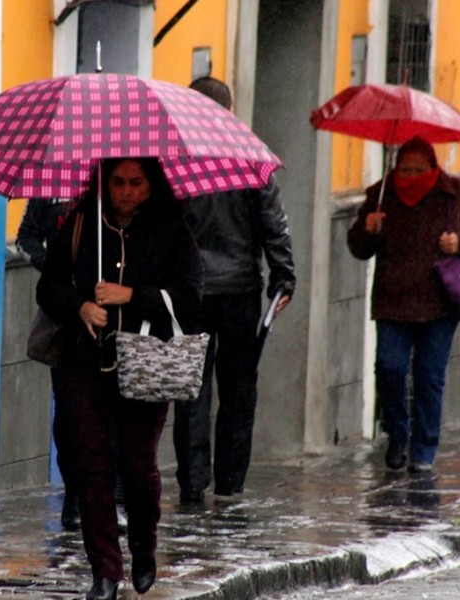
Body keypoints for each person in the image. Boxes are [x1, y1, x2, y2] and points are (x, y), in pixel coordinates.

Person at [37, 158, 203, 600]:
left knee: (137, 466)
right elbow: (48, 287)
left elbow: (190, 298)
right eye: (117, 182)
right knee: (90, 465)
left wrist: (132, 296)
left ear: (152, 185)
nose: (126, 192)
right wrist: (80, 306)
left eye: (136, 183)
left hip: (146, 364)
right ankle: (105, 572)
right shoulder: (80, 221)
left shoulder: (172, 228)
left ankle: (144, 549)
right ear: (103, 182)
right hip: (84, 362)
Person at [173, 76, 296, 504]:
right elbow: (272, 224)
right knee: (238, 390)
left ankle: (192, 484)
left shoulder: (174, 158)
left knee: (191, 390)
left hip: (190, 293)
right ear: (228, 109)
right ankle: (230, 484)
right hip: (242, 291)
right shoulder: (248, 156)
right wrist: (284, 277)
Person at [347, 135, 460, 473]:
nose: (410, 176)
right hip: (392, 301)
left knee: (429, 376)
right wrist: (368, 229)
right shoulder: (380, 195)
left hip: (440, 303)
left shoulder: (454, 191)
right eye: (404, 169)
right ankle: (398, 434)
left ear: (432, 168)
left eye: (418, 170)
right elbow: (358, 247)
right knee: (389, 368)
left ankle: (425, 448)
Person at [16, 198, 128, 533]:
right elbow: (27, 240)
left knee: (117, 417)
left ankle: (114, 498)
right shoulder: (55, 195)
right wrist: (53, 266)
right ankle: (75, 496)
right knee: (69, 418)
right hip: (69, 328)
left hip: (120, 327)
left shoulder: (126, 200)